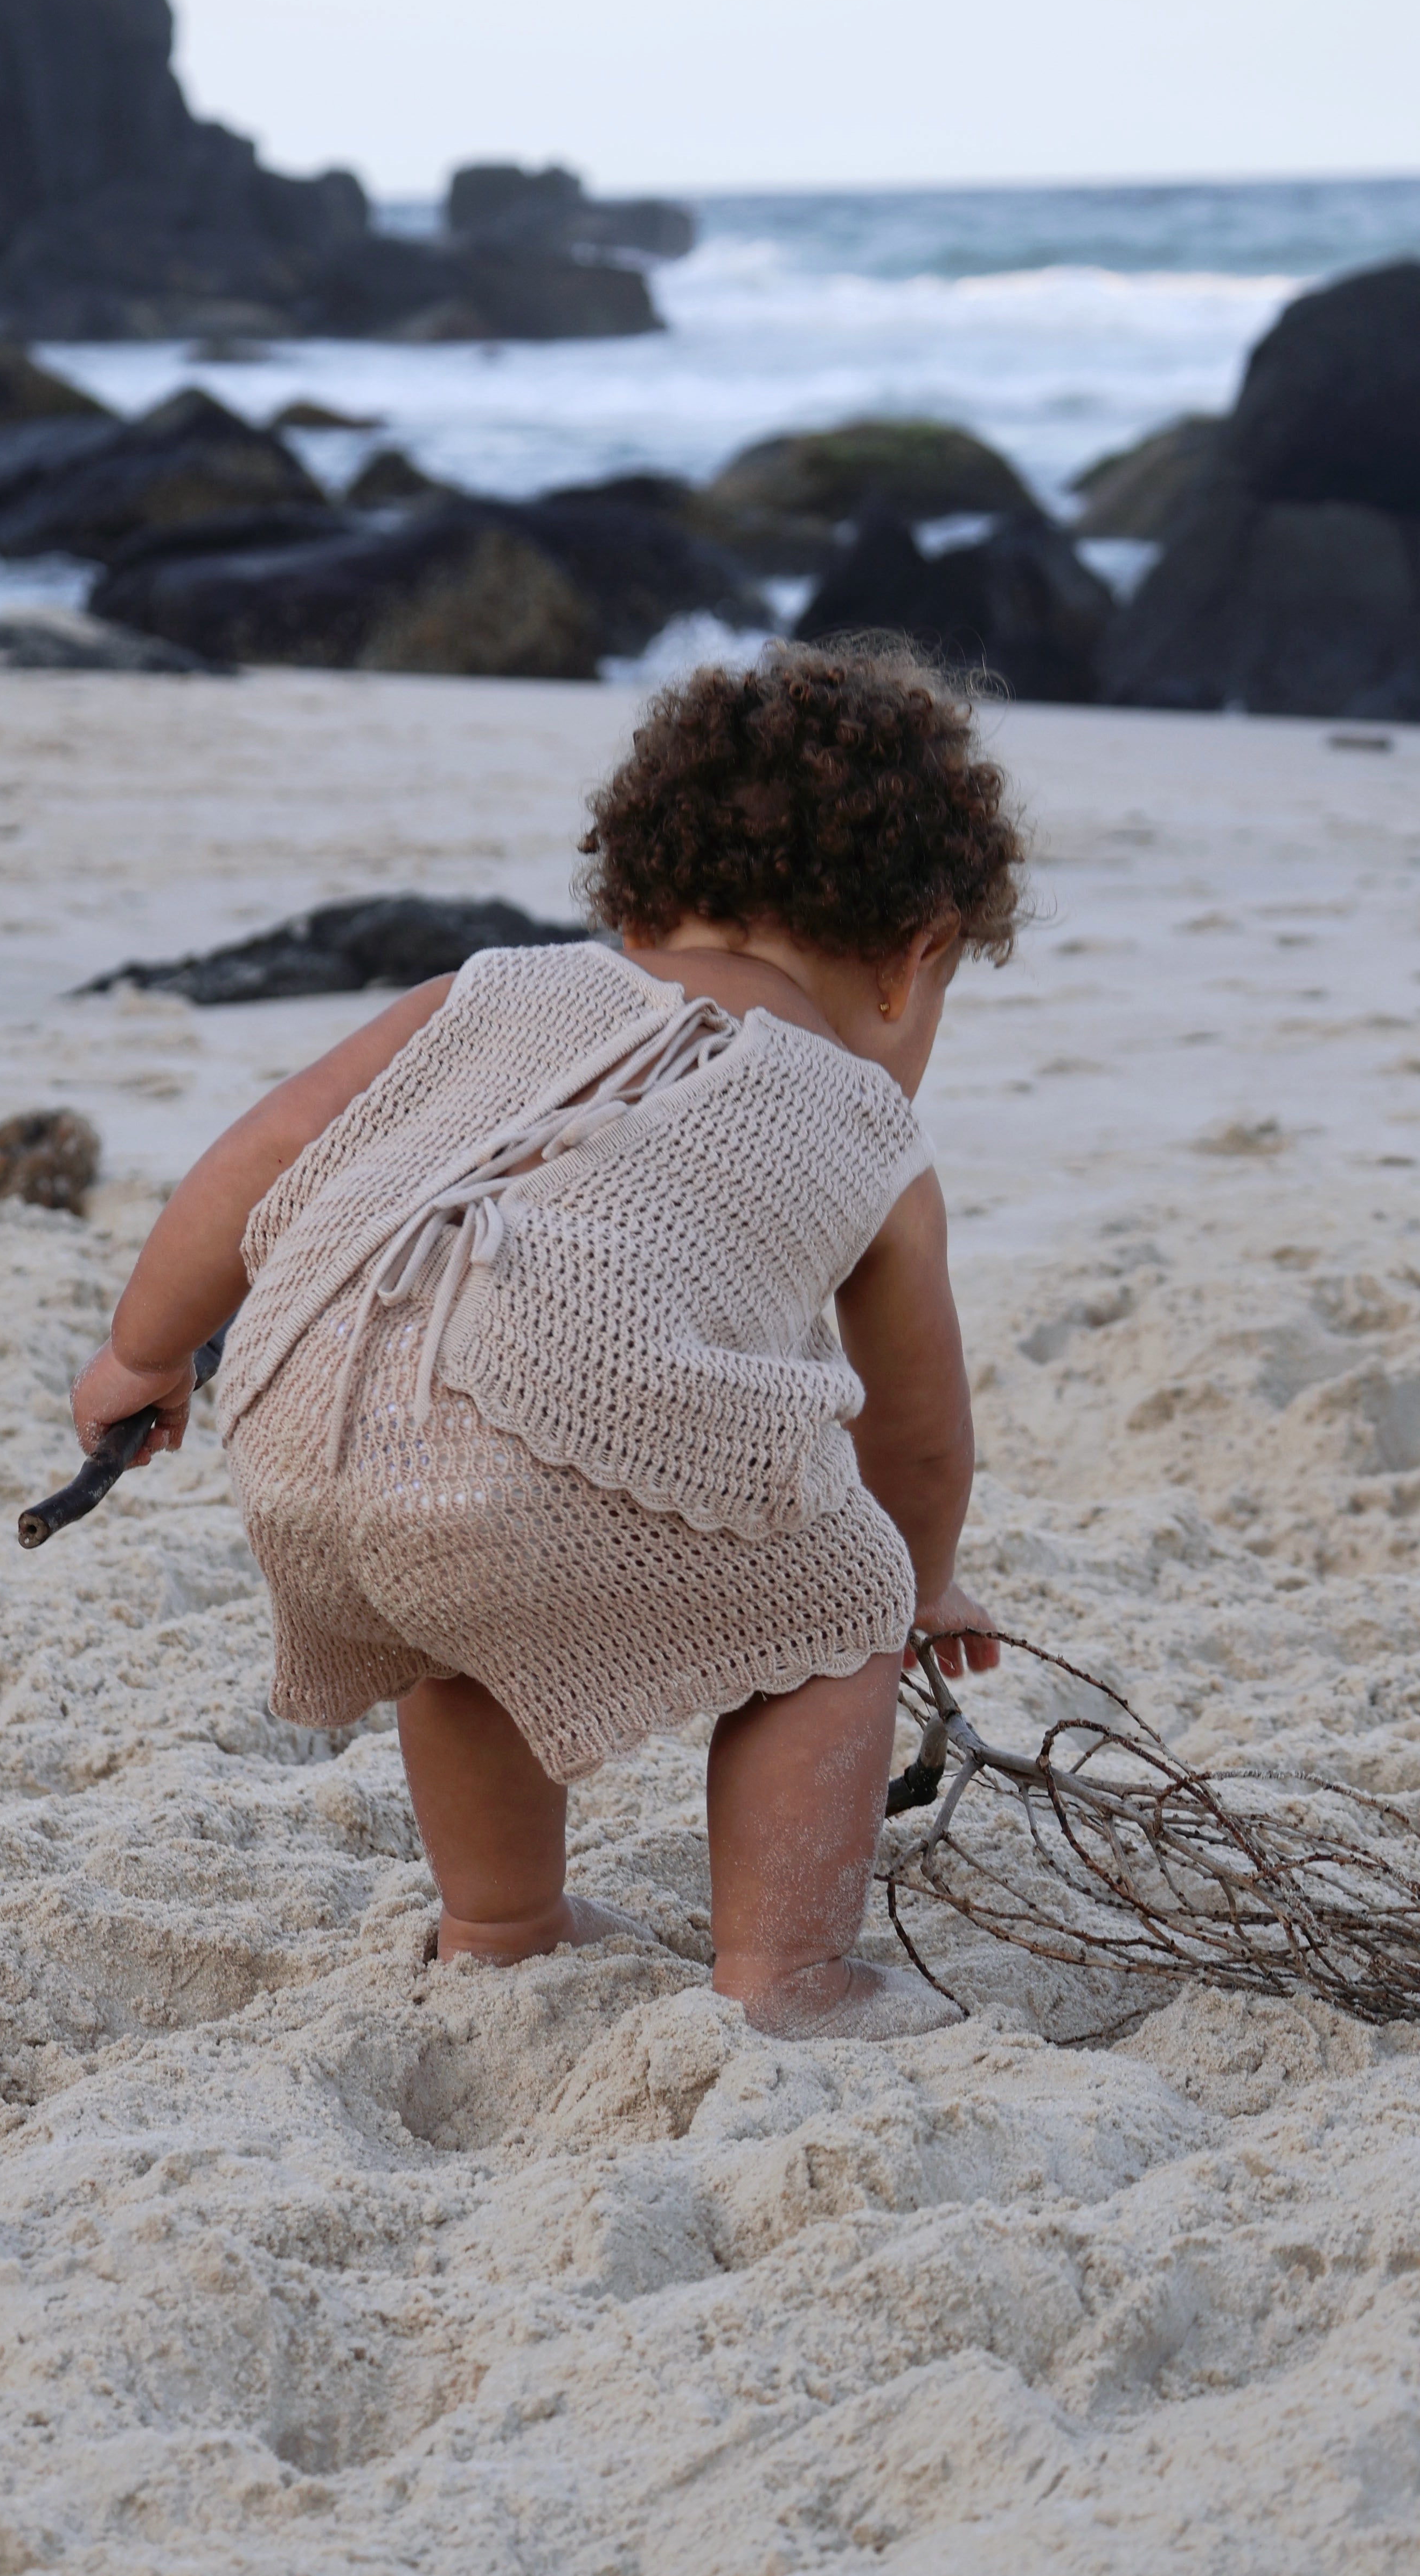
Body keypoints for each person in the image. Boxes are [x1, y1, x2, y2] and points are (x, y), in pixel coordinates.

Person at [69, 643, 1016, 2038]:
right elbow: (918, 1440)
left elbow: (267, 1151)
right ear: (916, 956)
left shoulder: (490, 990)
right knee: (839, 1603)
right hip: (534, 1423)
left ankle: (501, 1926)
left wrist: (145, 1355)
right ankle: (790, 1976)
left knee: (463, 1613)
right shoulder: (865, 1121)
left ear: (633, 900)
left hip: (302, 1416)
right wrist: (917, 1588)